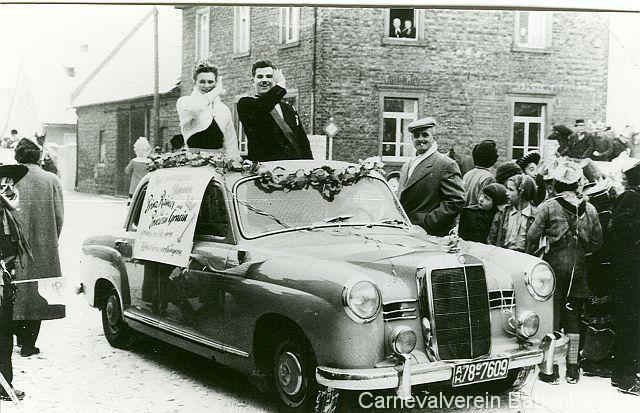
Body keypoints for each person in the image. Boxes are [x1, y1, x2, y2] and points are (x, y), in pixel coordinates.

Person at [526, 163, 602, 385]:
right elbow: (597, 243)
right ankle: (573, 368)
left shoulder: (548, 207)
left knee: (553, 318)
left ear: (556, 184)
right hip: (578, 270)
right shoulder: (590, 209)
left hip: (553, 271)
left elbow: (532, 236)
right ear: (577, 184)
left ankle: (549, 370)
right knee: (573, 319)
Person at [11, 137, 65, 358]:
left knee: (15, 289)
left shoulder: (10, 178)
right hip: (44, 245)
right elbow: (59, 216)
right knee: (38, 292)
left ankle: (16, 337)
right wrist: (52, 239)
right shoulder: (51, 179)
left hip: (14, 245)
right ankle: (28, 344)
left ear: (18, 155)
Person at [396, 117, 465, 237]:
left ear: (434, 138)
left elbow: (456, 200)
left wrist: (427, 222)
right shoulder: (407, 165)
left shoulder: (445, 164)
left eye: (425, 135)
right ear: (412, 139)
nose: (420, 139)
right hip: (405, 232)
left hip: (430, 235)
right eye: (416, 136)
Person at [607, 160, 640, 395]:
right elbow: (619, 230)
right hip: (628, 275)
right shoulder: (629, 198)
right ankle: (623, 376)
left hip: (633, 272)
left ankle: (629, 372)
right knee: (628, 324)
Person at [237, 60, 313, 162]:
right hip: (265, 170)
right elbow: (262, 106)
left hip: (293, 169)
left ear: (275, 79)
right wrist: (280, 86)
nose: (264, 80)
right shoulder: (246, 104)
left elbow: (303, 142)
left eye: (269, 76)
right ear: (253, 81)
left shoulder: (289, 109)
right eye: (260, 77)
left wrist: (310, 166)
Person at [0, 164, 30, 402]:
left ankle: (4, 384)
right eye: (3, 182)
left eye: (11, 182)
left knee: (4, 331)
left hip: (5, 279)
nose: (9, 188)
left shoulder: (6, 212)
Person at [176, 60, 239, 159]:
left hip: (217, 161)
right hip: (193, 159)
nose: (206, 86)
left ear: (216, 83)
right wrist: (217, 91)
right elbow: (196, 108)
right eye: (202, 82)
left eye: (210, 82)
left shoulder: (223, 109)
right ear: (194, 82)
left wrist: (235, 161)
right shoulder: (185, 102)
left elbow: (231, 142)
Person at [487, 174, 537, 252]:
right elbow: (491, 240)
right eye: (507, 188)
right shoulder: (502, 213)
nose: (506, 193)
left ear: (522, 193)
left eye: (511, 190)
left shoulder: (535, 216)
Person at [462, 140, 498, 206]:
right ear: (493, 159)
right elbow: (484, 204)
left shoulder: (467, 175)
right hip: (477, 214)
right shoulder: (488, 178)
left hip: (464, 213)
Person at [124, 137, 152, 201]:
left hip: (134, 187)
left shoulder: (134, 161)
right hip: (146, 186)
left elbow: (127, 171)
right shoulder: (150, 162)